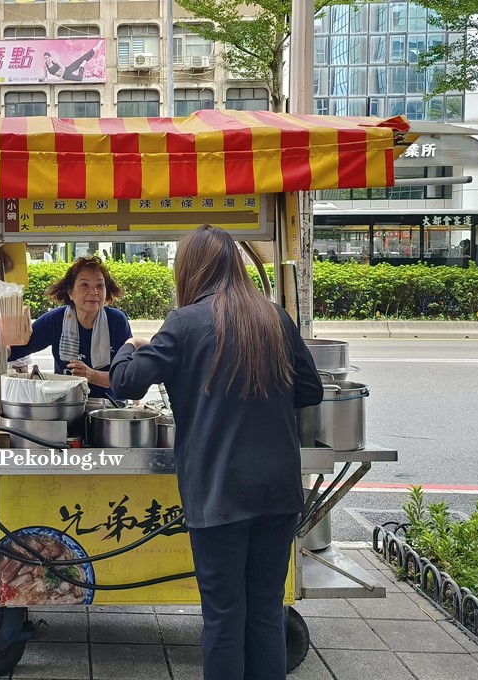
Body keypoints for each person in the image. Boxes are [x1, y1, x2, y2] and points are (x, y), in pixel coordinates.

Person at [108, 226, 321, 680]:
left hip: (219, 492)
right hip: (278, 491)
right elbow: (311, 389)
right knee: (265, 614)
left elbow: (125, 382)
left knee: (224, 617)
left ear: (190, 269)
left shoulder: (185, 322)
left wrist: (129, 344)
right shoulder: (273, 318)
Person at [8, 256, 132, 399]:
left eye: (100, 285)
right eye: (84, 285)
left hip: (110, 409)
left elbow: (127, 377)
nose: (94, 292)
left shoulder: (116, 321)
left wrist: (91, 375)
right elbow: (16, 349)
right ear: (70, 292)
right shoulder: (55, 320)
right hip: (67, 405)